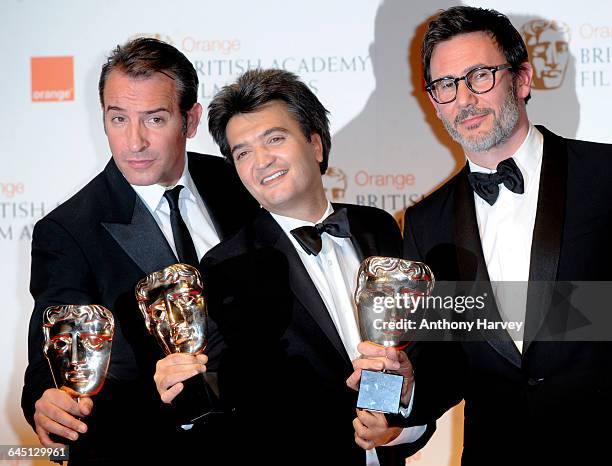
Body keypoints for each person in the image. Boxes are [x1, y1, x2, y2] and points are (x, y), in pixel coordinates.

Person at [348, 6, 612, 465]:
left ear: (523, 79)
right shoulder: (426, 220)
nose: (464, 99)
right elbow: (444, 365)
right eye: (446, 85)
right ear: (433, 101)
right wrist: (402, 392)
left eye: (480, 76)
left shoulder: (605, 175)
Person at [153, 68, 433, 465]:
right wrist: (182, 397)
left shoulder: (380, 229)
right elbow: (220, 389)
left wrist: (399, 419)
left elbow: (417, 357)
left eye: (275, 139)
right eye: (243, 152)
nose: (261, 161)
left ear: (315, 145)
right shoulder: (225, 266)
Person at [22, 37, 258, 464]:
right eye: (118, 118)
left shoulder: (240, 181)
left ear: (190, 120)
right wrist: (47, 402)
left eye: (154, 119)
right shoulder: (68, 231)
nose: (133, 141)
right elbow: (51, 363)